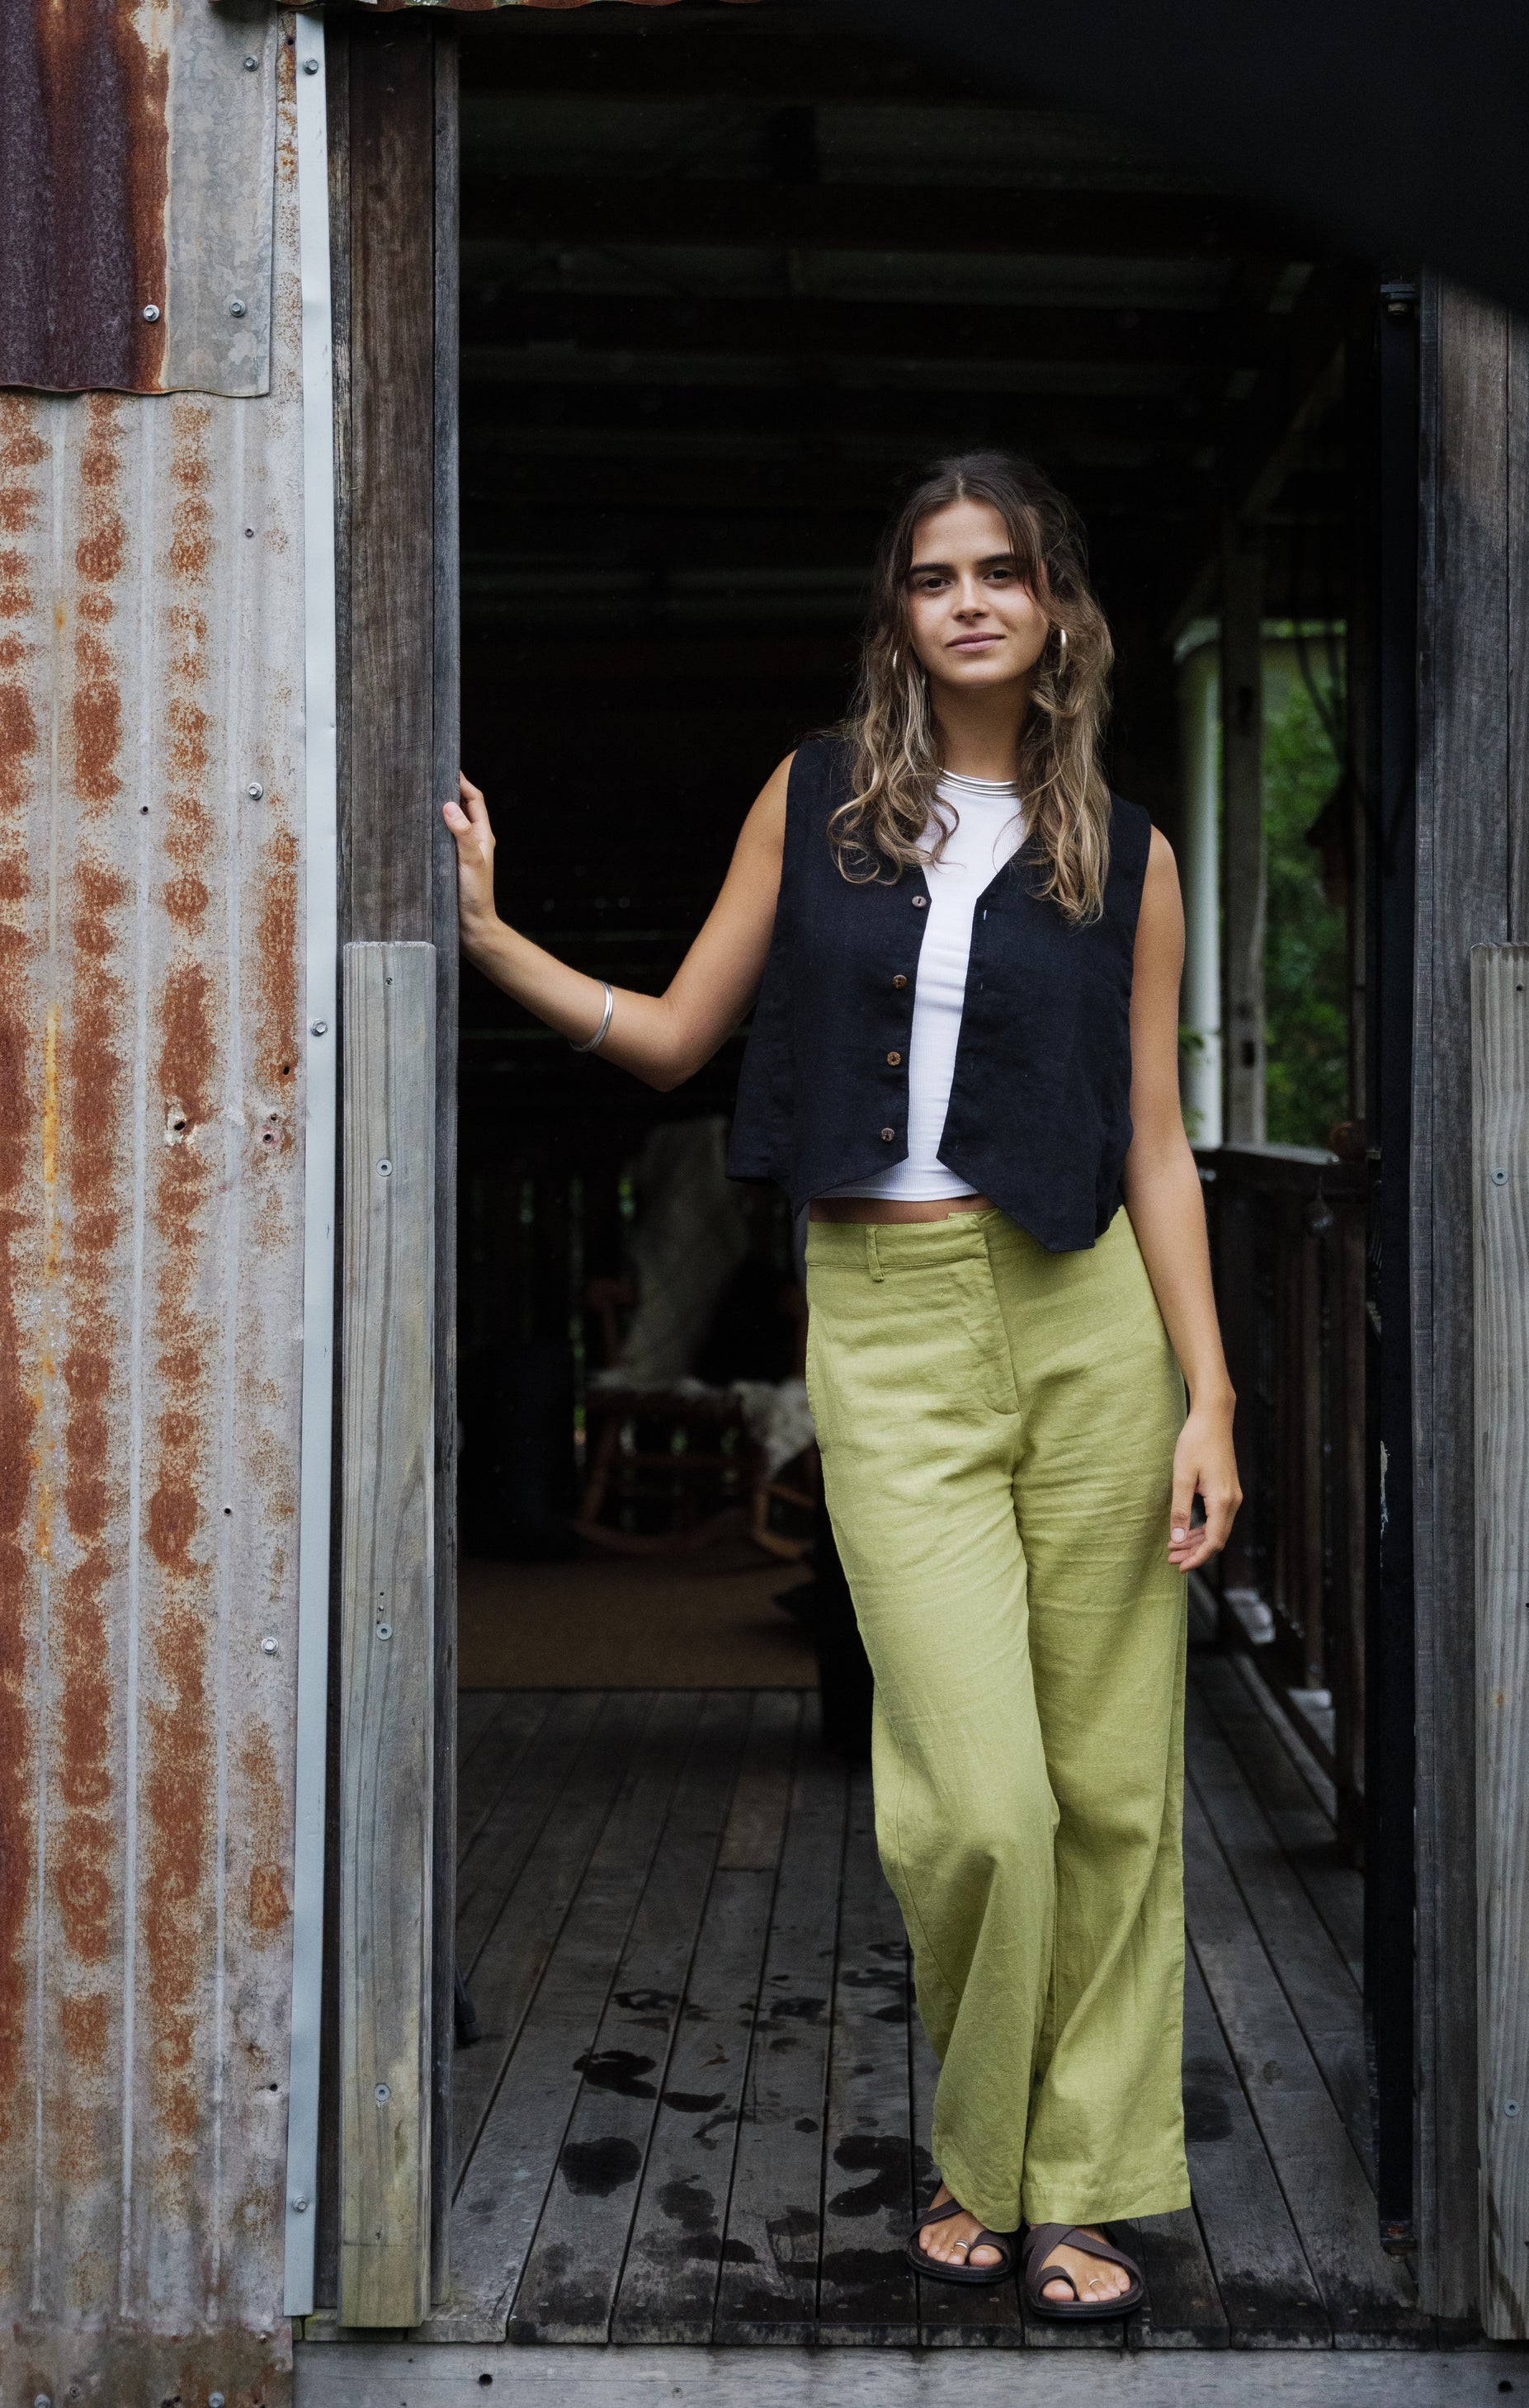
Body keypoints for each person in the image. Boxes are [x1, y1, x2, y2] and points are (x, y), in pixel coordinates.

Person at [444, 452, 1240, 2320]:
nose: (968, 600)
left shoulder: (1127, 852)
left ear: (1057, 610)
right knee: (975, 1801)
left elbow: (1156, 1146)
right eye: (933, 574)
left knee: (1111, 1779)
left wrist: (1208, 1395)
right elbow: (670, 1041)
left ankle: (1078, 2183)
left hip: (1087, 1314)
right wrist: (491, 938)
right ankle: (982, 2149)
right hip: (887, 1317)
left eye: (1005, 572)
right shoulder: (811, 799)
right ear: (896, 610)